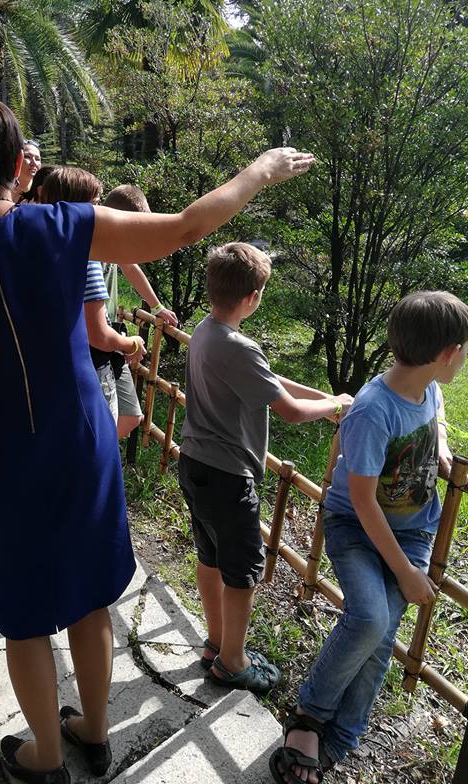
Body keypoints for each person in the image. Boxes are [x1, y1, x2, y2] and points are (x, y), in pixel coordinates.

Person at [0, 94, 312, 784]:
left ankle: (44, 756)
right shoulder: (66, 224)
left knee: (24, 615)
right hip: (80, 439)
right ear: (20, 165)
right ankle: (93, 729)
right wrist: (260, 170)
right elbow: (184, 227)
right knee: (91, 597)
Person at [270, 290, 466, 784]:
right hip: (358, 528)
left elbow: (437, 418)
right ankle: (310, 715)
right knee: (371, 618)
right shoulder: (372, 411)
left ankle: (341, 736)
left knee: (381, 634)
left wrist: (442, 449)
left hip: (414, 530)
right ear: (448, 353)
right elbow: (361, 501)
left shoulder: (427, 388)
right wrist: (405, 572)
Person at [179, 242, 353, 695]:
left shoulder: (205, 330)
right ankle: (232, 662)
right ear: (253, 297)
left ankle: (217, 642)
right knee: (243, 570)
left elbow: (271, 382)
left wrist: (326, 397)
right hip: (227, 474)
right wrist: (336, 405)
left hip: (195, 463)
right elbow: (290, 410)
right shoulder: (239, 347)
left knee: (210, 556)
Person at [40, 167, 147, 423]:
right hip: (86, 370)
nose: (100, 211)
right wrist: (131, 343)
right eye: (96, 204)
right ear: (80, 208)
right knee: (99, 437)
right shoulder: (84, 257)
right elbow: (99, 335)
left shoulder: (39, 246)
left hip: (47, 369)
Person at [102, 184, 179, 439]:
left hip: (111, 334)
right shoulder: (92, 244)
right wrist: (128, 343)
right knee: (107, 415)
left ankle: (99, 455)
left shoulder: (113, 242)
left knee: (130, 416)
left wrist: (157, 307)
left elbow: (130, 266)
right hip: (100, 338)